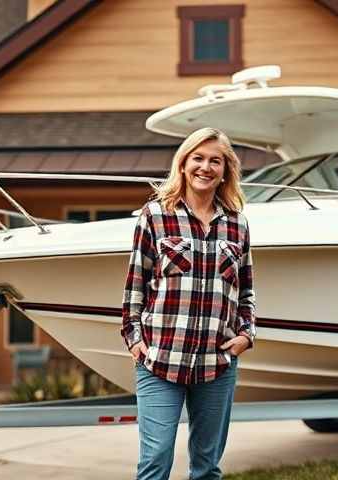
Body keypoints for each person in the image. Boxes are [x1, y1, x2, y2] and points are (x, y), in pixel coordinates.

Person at [121, 127, 256, 480]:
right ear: (183, 164)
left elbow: (246, 292)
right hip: (159, 360)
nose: (205, 167)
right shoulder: (154, 216)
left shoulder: (237, 225)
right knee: (155, 460)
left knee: (207, 467)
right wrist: (135, 341)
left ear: (226, 171)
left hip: (217, 363)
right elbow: (134, 286)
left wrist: (246, 335)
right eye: (198, 158)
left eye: (216, 161)